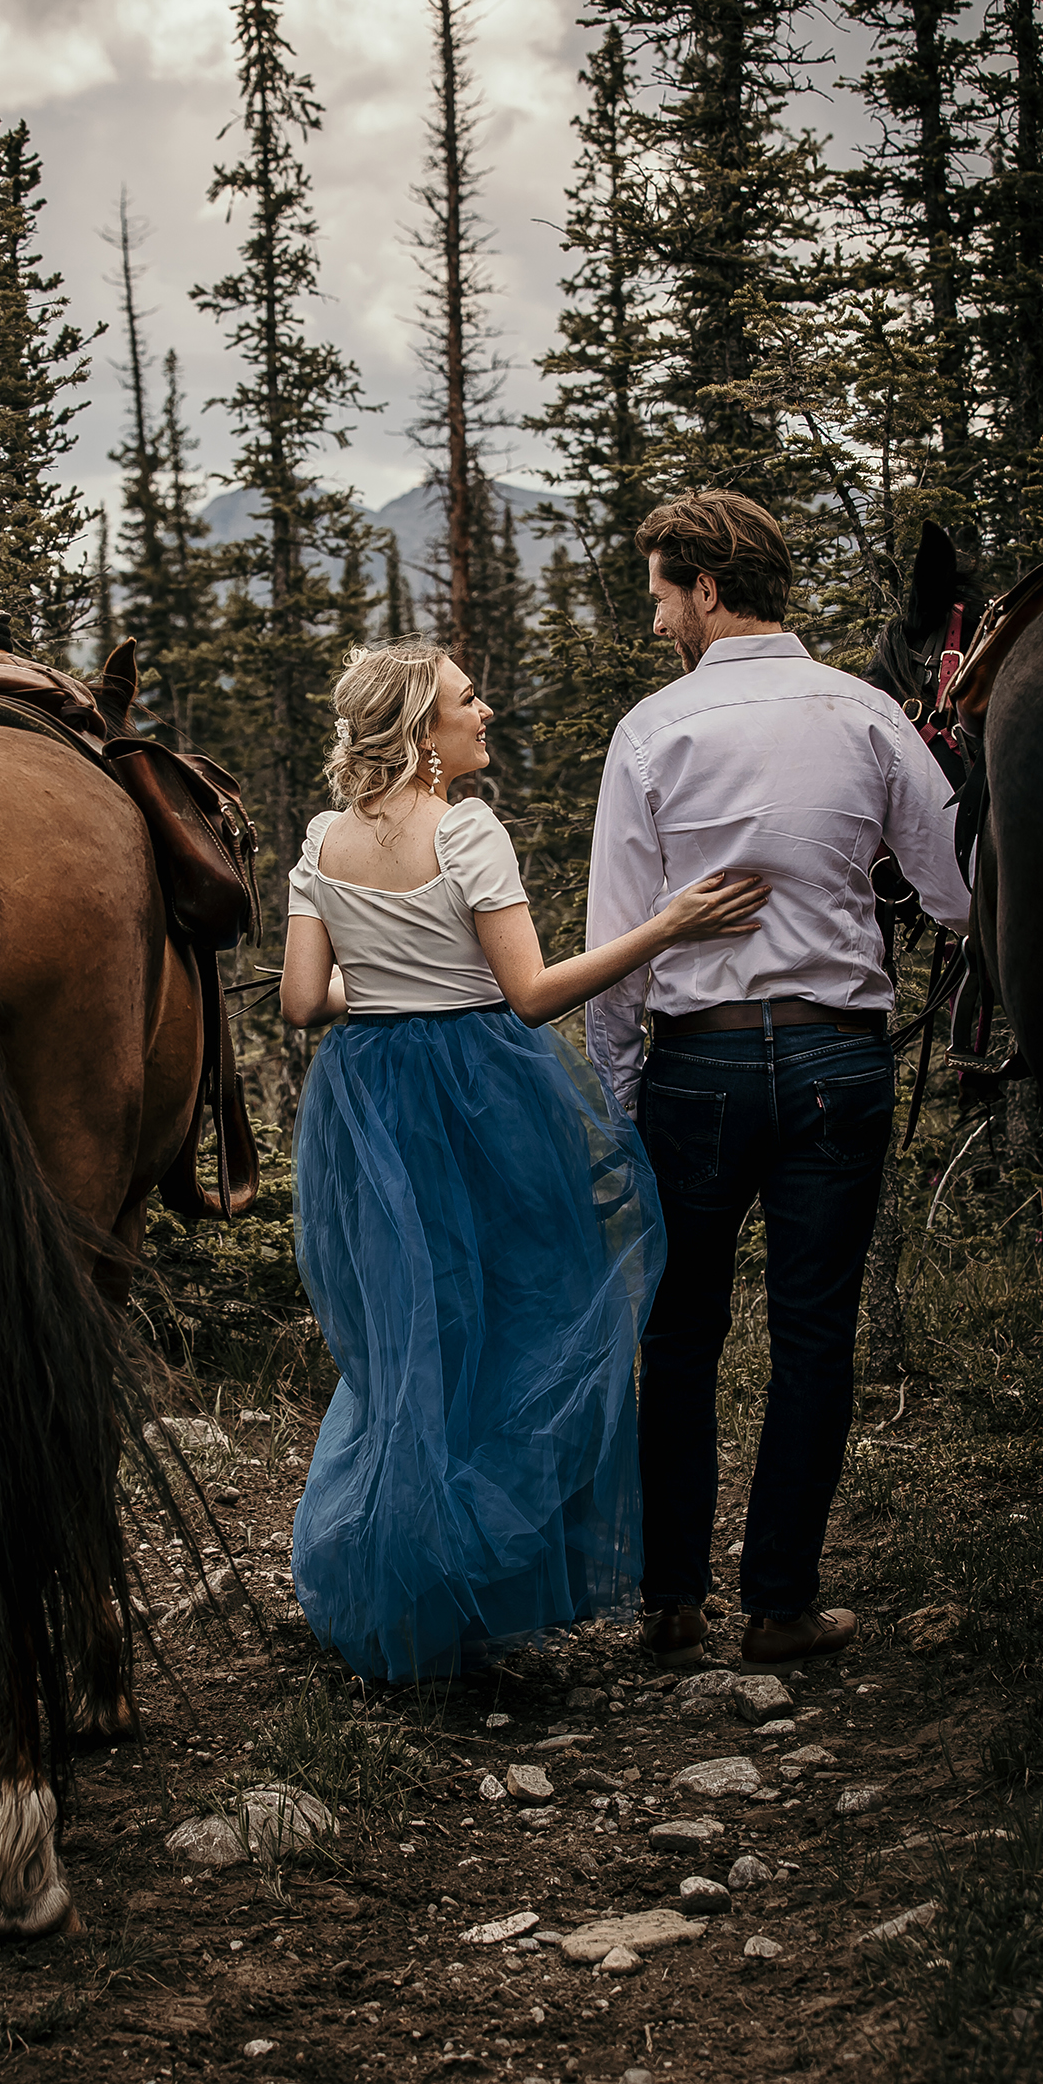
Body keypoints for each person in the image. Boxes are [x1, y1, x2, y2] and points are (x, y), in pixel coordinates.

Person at [280, 636, 769, 1682]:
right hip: (478, 1090)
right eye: (467, 699)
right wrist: (667, 925)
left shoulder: (322, 838)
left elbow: (299, 1001)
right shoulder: (467, 833)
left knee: (413, 1336)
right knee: (527, 1313)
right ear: (422, 734)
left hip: (369, 1095)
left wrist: (380, 985)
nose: (484, 710)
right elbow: (534, 993)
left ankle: (403, 1576)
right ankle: (472, 1575)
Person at [585, 492, 973, 1676]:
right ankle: (780, 1604)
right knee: (813, 1335)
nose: (655, 620)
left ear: (706, 589)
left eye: (659, 593)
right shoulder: (864, 715)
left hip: (695, 1067)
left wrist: (618, 1095)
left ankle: (668, 1601)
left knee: (681, 1334)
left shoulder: (652, 732)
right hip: (832, 1058)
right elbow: (956, 895)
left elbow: (620, 943)